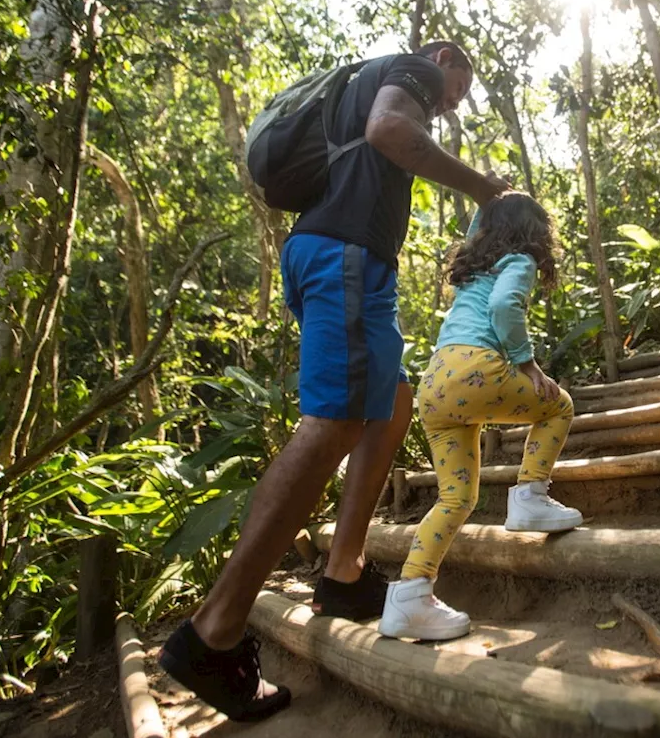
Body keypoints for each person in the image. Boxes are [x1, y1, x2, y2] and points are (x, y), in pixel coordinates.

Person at [159, 41, 510, 721]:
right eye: (454, 87)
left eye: (454, 96)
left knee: (391, 402)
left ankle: (344, 574)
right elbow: (389, 130)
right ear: (443, 56)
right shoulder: (412, 70)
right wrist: (486, 189)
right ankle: (213, 632)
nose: (450, 101)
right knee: (334, 423)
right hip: (343, 255)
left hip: (349, 259)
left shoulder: (367, 82)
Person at [377, 191, 581, 641]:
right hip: (476, 368)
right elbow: (505, 307)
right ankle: (529, 494)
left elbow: (480, 230)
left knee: (456, 498)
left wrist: (486, 195)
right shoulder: (520, 261)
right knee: (559, 405)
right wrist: (527, 364)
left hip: (434, 384)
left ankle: (410, 595)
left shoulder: (475, 268)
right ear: (536, 233)